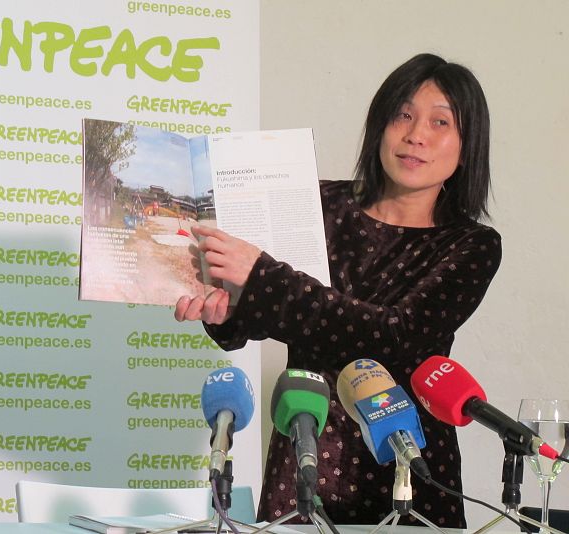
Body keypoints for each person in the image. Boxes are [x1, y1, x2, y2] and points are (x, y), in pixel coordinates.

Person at [175, 53, 501, 528]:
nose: (416, 134)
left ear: (467, 145)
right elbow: (267, 310)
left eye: (440, 122)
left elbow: (393, 337)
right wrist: (225, 312)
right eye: (402, 114)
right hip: (305, 455)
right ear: (379, 125)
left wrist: (262, 275)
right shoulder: (318, 202)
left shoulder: (471, 245)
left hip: (406, 463)